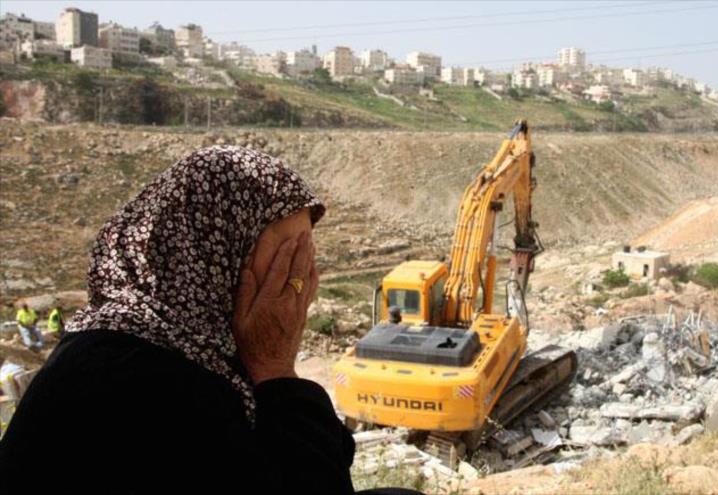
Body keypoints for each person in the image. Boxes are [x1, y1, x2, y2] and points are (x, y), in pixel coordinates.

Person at [0, 147, 421, 494]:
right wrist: (274, 367)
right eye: (288, 260)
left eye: (307, 258)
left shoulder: (172, 346)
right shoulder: (143, 378)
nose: (305, 283)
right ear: (209, 257)